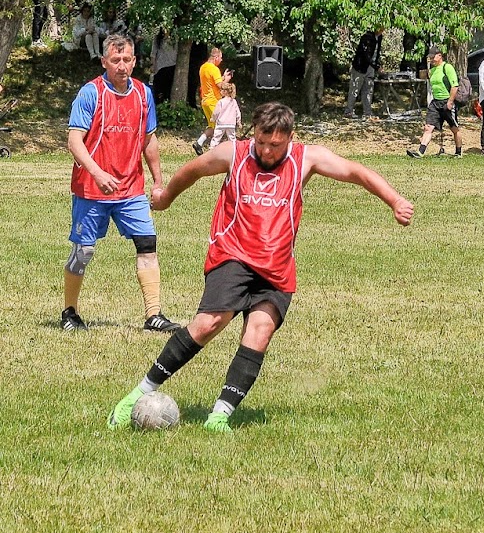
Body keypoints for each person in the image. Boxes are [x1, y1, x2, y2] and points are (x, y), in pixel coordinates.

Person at [106, 102, 414, 433]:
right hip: (232, 255)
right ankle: (138, 394)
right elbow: (193, 169)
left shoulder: (306, 158)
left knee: (260, 331)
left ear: (290, 138)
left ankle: (219, 417)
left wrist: (395, 200)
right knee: (209, 323)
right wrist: (166, 195)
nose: (266, 151)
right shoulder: (233, 154)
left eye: (275, 145)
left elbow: (356, 172)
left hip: (277, 268)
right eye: (261, 142)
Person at [61, 34, 180, 333]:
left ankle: (153, 315)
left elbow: (148, 140)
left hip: (131, 190)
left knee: (147, 245)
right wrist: (98, 174)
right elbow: (74, 141)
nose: (122, 66)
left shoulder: (143, 94)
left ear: (135, 61)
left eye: (127, 60)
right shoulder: (91, 93)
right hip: (91, 189)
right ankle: (70, 312)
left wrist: (158, 182)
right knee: (83, 252)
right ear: (104, 62)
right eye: (115, 60)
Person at [406, 46, 464, 158]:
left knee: (454, 128)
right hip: (435, 102)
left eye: (433, 57)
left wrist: (450, 102)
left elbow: (454, 86)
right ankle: (420, 152)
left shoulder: (447, 67)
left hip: (447, 101)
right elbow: (424, 77)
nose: (431, 60)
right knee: (428, 127)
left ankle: (458, 152)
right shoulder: (432, 71)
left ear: (439, 55)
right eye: (430, 58)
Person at [193, 48, 232, 155]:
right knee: (221, 126)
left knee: (212, 126)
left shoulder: (203, 67)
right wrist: (227, 81)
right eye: (220, 57)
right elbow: (220, 86)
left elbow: (212, 83)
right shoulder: (214, 69)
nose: (221, 60)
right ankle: (215, 151)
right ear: (216, 57)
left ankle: (199, 143)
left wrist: (222, 77)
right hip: (213, 101)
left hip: (205, 101)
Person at [344, 28, 384, 119]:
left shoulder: (380, 37)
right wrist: (377, 67)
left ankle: (367, 112)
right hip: (360, 67)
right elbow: (367, 55)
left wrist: (377, 64)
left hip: (371, 67)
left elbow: (376, 53)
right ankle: (348, 111)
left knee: (368, 89)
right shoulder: (367, 37)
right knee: (355, 89)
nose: (382, 30)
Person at [210, 82, 241, 148]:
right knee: (232, 138)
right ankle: (234, 149)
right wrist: (239, 121)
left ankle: (212, 149)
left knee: (216, 137)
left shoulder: (221, 102)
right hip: (231, 124)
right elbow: (237, 112)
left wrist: (213, 118)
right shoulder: (233, 101)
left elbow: (216, 112)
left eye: (221, 90)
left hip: (221, 123)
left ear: (225, 91)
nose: (220, 91)